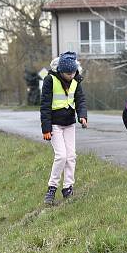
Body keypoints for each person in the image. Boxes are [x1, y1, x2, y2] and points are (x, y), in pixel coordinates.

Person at [40, 51, 88, 205]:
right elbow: (45, 106)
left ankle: (68, 187)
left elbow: (80, 100)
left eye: (73, 72)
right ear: (60, 71)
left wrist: (82, 116)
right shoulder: (50, 80)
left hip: (69, 124)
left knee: (71, 156)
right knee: (61, 156)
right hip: (54, 125)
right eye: (68, 73)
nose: (71, 75)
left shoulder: (76, 81)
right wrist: (46, 129)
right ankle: (51, 188)